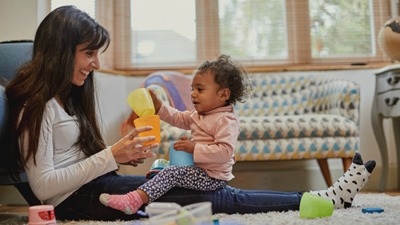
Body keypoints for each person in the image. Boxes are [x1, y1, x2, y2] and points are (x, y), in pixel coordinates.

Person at [4, 5, 376, 222]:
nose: (96, 63)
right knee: (214, 199)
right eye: (89, 53)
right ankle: (319, 200)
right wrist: (112, 155)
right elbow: (43, 188)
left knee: (196, 185)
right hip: (72, 201)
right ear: (61, 50)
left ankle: (320, 197)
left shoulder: (67, 97)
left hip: (92, 186)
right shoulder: (35, 106)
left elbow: (89, 159)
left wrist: (120, 155)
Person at [99, 54, 250, 214]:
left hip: (213, 178)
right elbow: (177, 117)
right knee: (162, 166)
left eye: (200, 89)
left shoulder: (226, 120)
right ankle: (156, 194)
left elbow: (225, 153)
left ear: (223, 95)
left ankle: (133, 201)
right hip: (199, 170)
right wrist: (159, 107)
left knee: (171, 173)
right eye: (192, 89)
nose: (193, 94)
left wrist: (194, 148)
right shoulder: (199, 115)